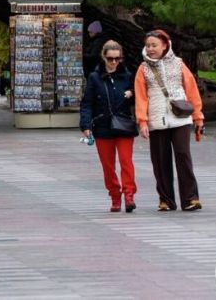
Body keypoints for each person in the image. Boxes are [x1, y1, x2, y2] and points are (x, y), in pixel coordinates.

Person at [134, 29, 204, 212]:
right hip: (157, 119)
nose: (150, 49)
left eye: (154, 45)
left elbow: (192, 90)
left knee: (183, 155)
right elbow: (141, 97)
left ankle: (190, 198)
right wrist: (142, 121)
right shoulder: (143, 69)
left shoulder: (179, 64)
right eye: (148, 45)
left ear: (165, 45)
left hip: (180, 117)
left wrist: (198, 116)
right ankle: (166, 199)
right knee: (160, 160)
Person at [81, 40, 138, 213]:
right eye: (110, 58)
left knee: (126, 161)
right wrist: (86, 124)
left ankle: (129, 195)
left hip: (123, 124)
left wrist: (132, 94)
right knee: (108, 165)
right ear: (103, 57)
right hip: (103, 125)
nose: (114, 62)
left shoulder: (128, 76)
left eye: (117, 58)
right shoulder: (94, 77)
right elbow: (87, 103)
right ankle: (115, 195)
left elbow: (141, 98)